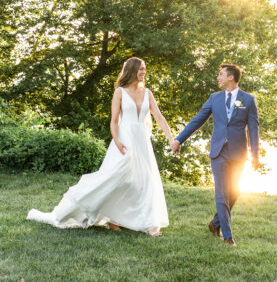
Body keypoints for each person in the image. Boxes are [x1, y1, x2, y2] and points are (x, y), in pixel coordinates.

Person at [27, 57, 172, 236]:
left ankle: (151, 224)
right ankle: (109, 217)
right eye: (141, 69)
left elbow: (159, 117)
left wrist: (171, 139)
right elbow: (113, 121)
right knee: (114, 178)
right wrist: (118, 141)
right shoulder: (120, 92)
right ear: (132, 70)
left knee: (145, 180)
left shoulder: (147, 93)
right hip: (124, 141)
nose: (144, 72)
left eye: (144, 69)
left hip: (142, 141)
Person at [171, 62, 260, 246]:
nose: (218, 78)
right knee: (221, 192)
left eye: (221, 74)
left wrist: (255, 155)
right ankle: (227, 236)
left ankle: (215, 223)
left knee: (234, 193)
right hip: (218, 152)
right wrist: (179, 139)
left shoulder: (248, 100)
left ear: (231, 77)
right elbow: (197, 120)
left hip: (238, 152)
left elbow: (253, 128)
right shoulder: (214, 98)